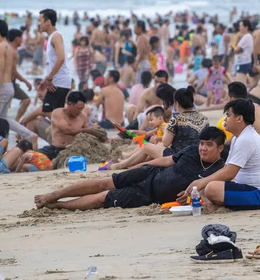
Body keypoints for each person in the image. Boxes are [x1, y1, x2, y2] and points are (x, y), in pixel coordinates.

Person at [33, 127, 226, 210]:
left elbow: (207, 194)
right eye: (202, 143)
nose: (203, 148)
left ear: (220, 148)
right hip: (150, 173)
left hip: (149, 195)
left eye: (209, 145)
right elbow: (167, 161)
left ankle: (59, 205)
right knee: (104, 182)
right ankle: (55, 194)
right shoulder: (193, 150)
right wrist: (140, 166)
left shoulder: (219, 170)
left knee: (102, 198)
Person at [178, 99, 260, 211]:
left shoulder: (246, 139)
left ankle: (214, 205)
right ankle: (213, 204)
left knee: (211, 188)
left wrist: (202, 182)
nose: (225, 119)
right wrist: (201, 184)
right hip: (250, 190)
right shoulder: (238, 138)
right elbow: (226, 168)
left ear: (239, 118)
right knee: (204, 187)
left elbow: (230, 173)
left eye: (228, 115)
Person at [104, 86, 208, 170]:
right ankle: (126, 161)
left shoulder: (176, 119)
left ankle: (119, 165)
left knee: (146, 147)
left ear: (177, 103)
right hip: (198, 155)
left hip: (177, 156)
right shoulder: (204, 118)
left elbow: (166, 142)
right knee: (152, 147)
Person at [0, 19, 37, 145]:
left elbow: (0, 71)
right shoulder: (9, 48)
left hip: (2, 88)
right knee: (3, 119)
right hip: (8, 87)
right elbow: (7, 72)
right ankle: (30, 135)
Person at [36, 91, 100, 160]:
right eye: (78, 108)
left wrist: (96, 132)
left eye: (82, 108)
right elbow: (67, 130)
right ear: (69, 104)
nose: (80, 111)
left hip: (73, 151)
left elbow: (86, 136)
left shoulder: (83, 116)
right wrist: (85, 130)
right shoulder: (58, 113)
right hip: (55, 150)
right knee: (32, 156)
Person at [37, 9, 72, 117]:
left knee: (50, 112)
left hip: (59, 82)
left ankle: (65, 132)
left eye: (40, 20)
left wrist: (50, 78)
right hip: (56, 81)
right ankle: (62, 132)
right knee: (54, 113)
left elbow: (61, 58)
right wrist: (46, 79)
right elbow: (52, 62)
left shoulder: (56, 36)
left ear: (48, 22)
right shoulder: (52, 37)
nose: (39, 24)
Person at [7, 29, 34, 122]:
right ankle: (16, 121)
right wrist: (26, 81)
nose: (22, 40)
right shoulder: (13, 52)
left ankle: (14, 123)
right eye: (21, 38)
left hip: (9, 83)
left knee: (3, 109)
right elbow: (13, 71)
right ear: (17, 39)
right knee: (26, 100)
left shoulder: (8, 49)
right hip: (8, 83)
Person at [233, 19, 254, 85]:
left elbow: (236, 49)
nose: (239, 28)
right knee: (243, 82)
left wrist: (236, 48)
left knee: (240, 83)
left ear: (246, 27)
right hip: (245, 62)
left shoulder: (246, 37)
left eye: (240, 26)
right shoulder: (248, 36)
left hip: (242, 63)